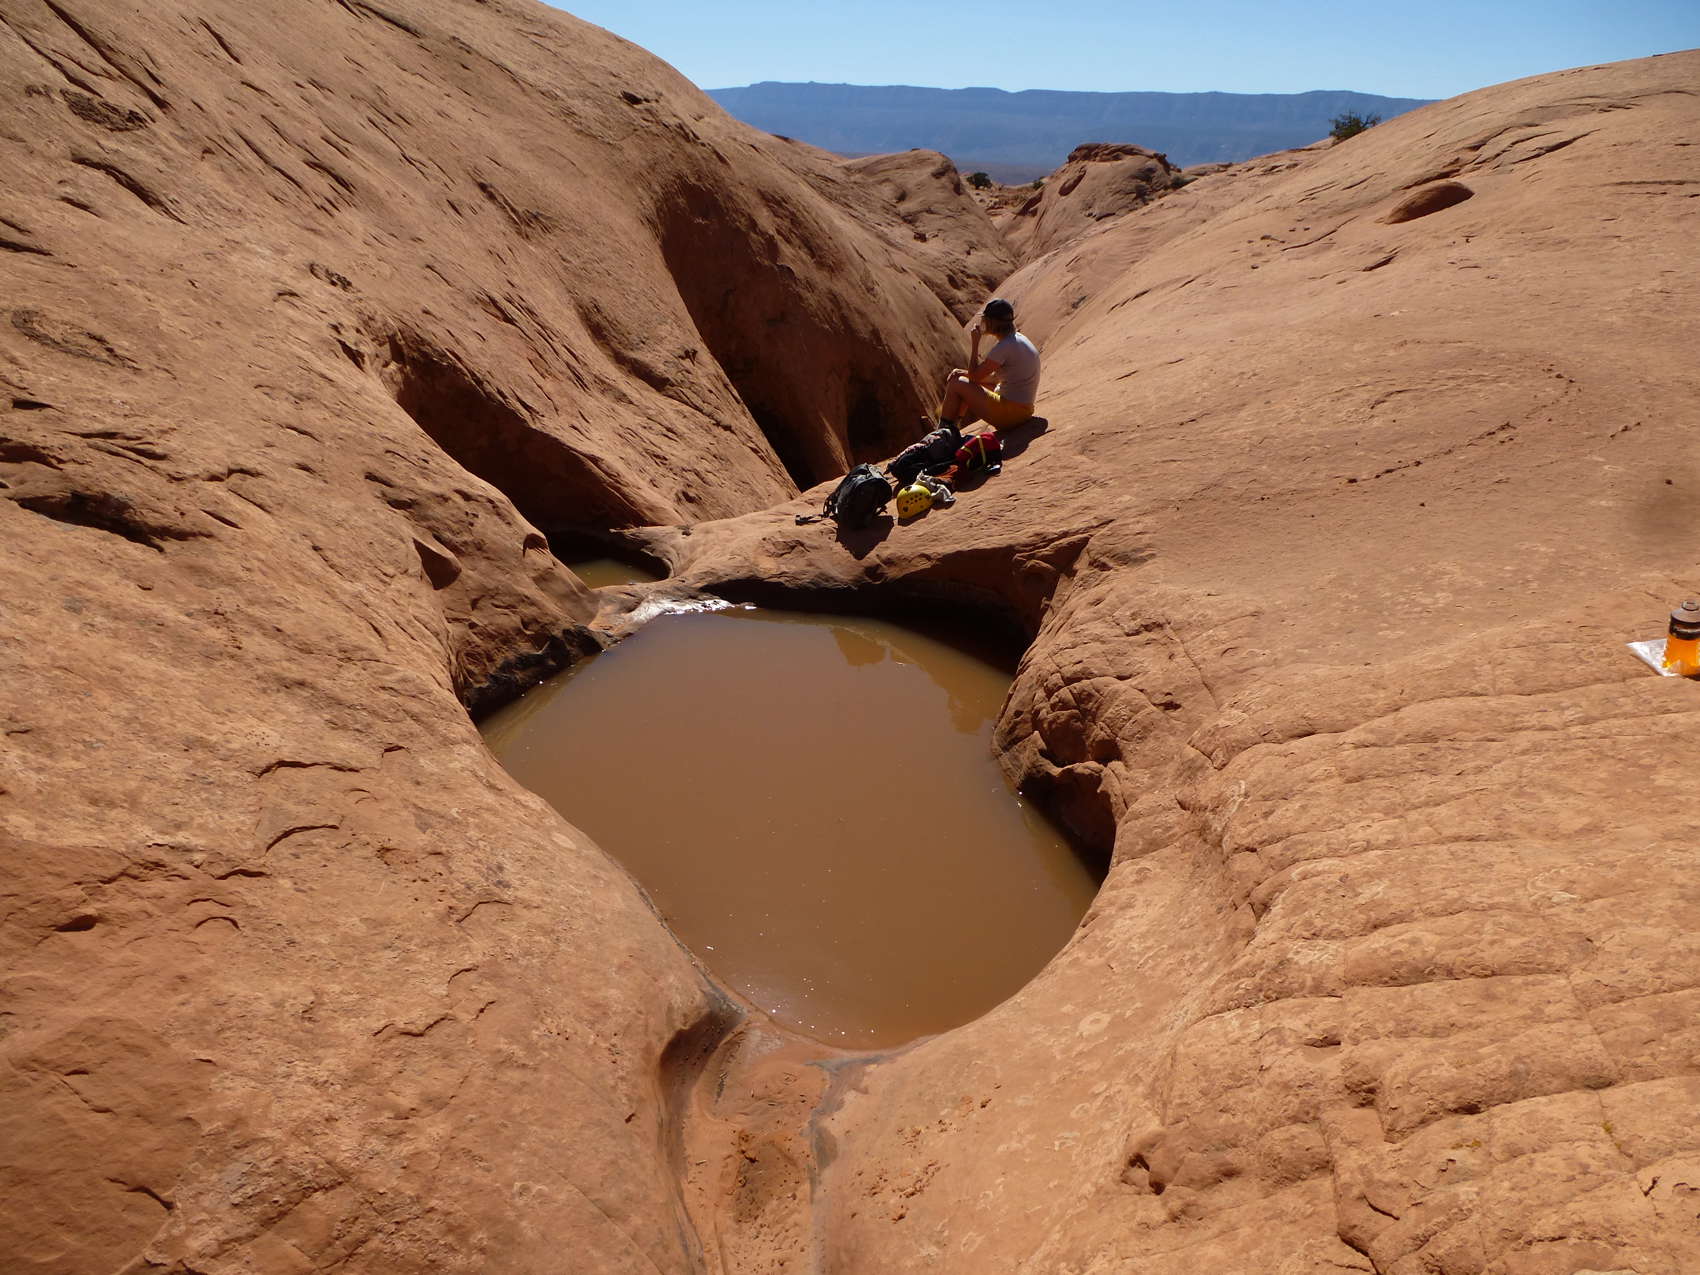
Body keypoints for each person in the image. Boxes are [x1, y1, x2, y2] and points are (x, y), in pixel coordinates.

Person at [936, 297, 1040, 434]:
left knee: (956, 383)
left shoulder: (1004, 347)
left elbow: (974, 377)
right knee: (963, 378)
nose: (983, 322)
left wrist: (975, 344)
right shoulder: (1018, 339)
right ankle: (953, 427)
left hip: (1011, 415)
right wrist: (964, 373)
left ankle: (943, 433)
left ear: (992, 322)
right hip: (1024, 410)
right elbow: (995, 378)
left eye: (985, 319)